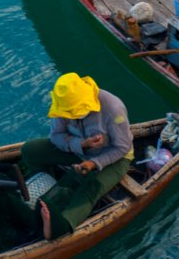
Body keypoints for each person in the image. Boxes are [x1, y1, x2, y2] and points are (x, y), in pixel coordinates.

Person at [19, 73, 134, 239]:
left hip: (113, 158)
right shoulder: (63, 105)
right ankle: (48, 184)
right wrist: (82, 144)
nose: (70, 116)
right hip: (79, 151)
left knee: (92, 185)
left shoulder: (113, 108)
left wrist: (94, 163)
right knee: (30, 150)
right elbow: (56, 135)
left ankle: (62, 225)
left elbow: (122, 148)